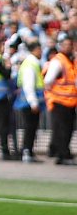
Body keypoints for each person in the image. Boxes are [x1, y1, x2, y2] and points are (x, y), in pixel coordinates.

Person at [43, 37, 76, 165]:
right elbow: (48, 80)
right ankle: (63, 154)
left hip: (69, 102)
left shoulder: (70, 61)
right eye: (66, 45)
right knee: (63, 129)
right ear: (61, 46)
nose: (68, 47)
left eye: (70, 45)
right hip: (60, 101)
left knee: (66, 129)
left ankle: (60, 152)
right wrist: (52, 94)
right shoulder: (58, 61)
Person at [14, 39, 45, 163]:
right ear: (35, 50)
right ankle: (27, 151)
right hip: (29, 102)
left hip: (29, 101)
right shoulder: (31, 64)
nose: (41, 52)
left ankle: (28, 151)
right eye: (40, 50)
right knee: (30, 127)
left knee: (31, 127)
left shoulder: (31, 63)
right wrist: (34, 102)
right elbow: (29, 85)